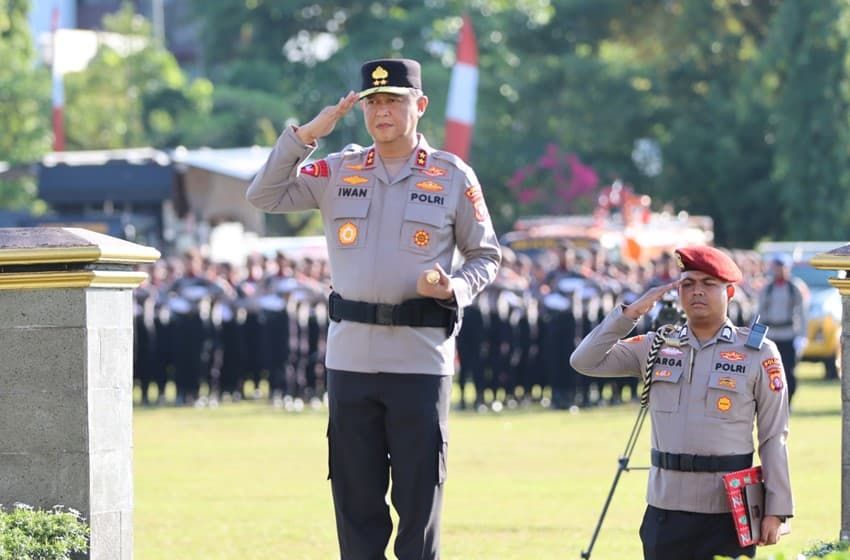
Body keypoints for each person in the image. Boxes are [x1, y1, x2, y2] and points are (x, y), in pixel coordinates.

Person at [246, 57, 501, 559]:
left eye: (393, 101)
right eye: (373, 102)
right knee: (355, 500)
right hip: (351, 361)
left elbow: (486, 255)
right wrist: (305, 135)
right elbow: (264, 195)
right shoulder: (339, 169)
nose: (381, 111)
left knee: (418, 498)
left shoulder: (451, 175)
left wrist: (454, 287)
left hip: (419, 360)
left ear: (419, 106)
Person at [570, 245, 793, 560]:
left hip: (728, 513)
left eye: (708, 284)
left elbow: (774, 436)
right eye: (688, 284)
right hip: (666, 511)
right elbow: (584, 361)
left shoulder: (758, 352)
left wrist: (777, 509)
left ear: (729, 292)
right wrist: (630, 314)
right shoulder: (657, 346)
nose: (697, 292)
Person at [757, 253, 808, 403]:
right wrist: (756, 334)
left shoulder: (794, 288)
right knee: (770, 371)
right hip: (772, 335)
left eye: (782, 267)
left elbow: (802, 313)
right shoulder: (768, 288)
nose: (778, 271)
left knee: (788, 371)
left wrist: (802, 336)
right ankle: (773, 400)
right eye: (776, 267)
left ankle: (788, 400)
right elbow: (760, 312)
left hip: (788, 334)